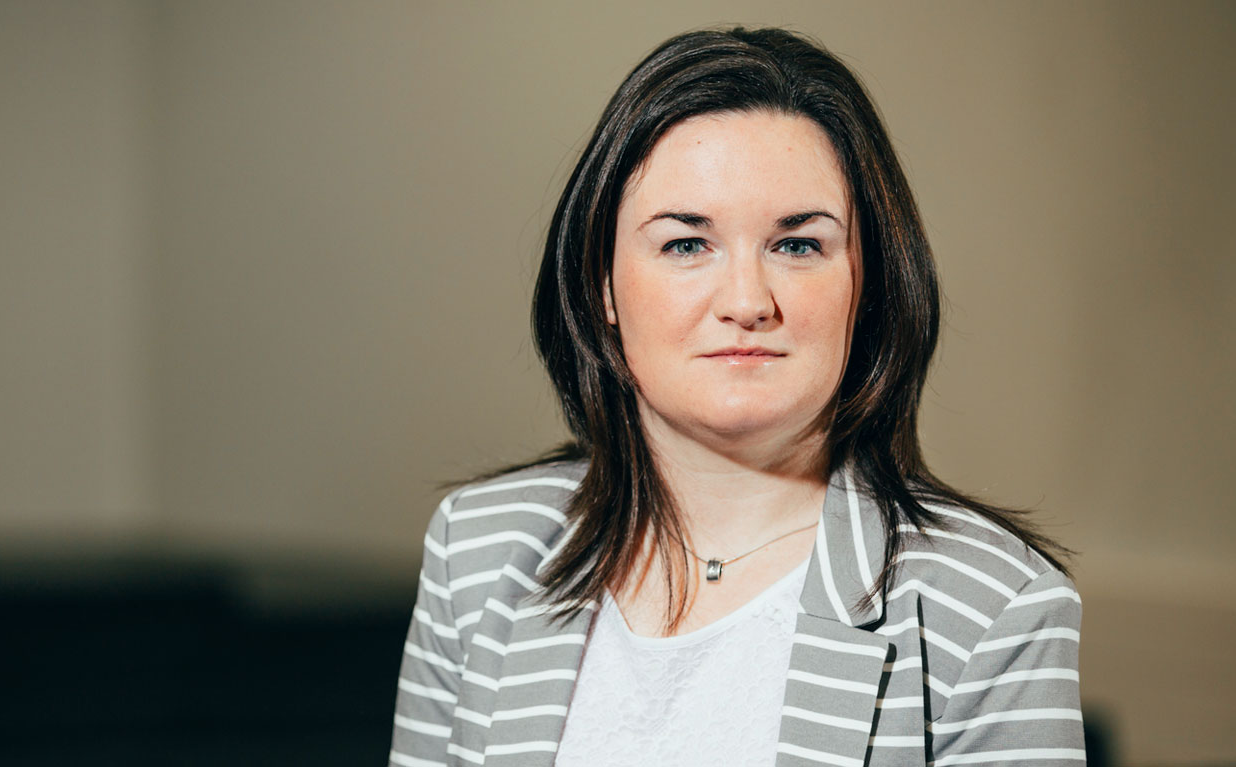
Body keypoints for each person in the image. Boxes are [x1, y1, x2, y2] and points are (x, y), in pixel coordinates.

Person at [389, 26, 1084, 767]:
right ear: (603, 286)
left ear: (867, 286)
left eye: (798, 244)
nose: (747, 302)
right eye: (686, 244)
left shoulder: (994, 608)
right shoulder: (477, 553)